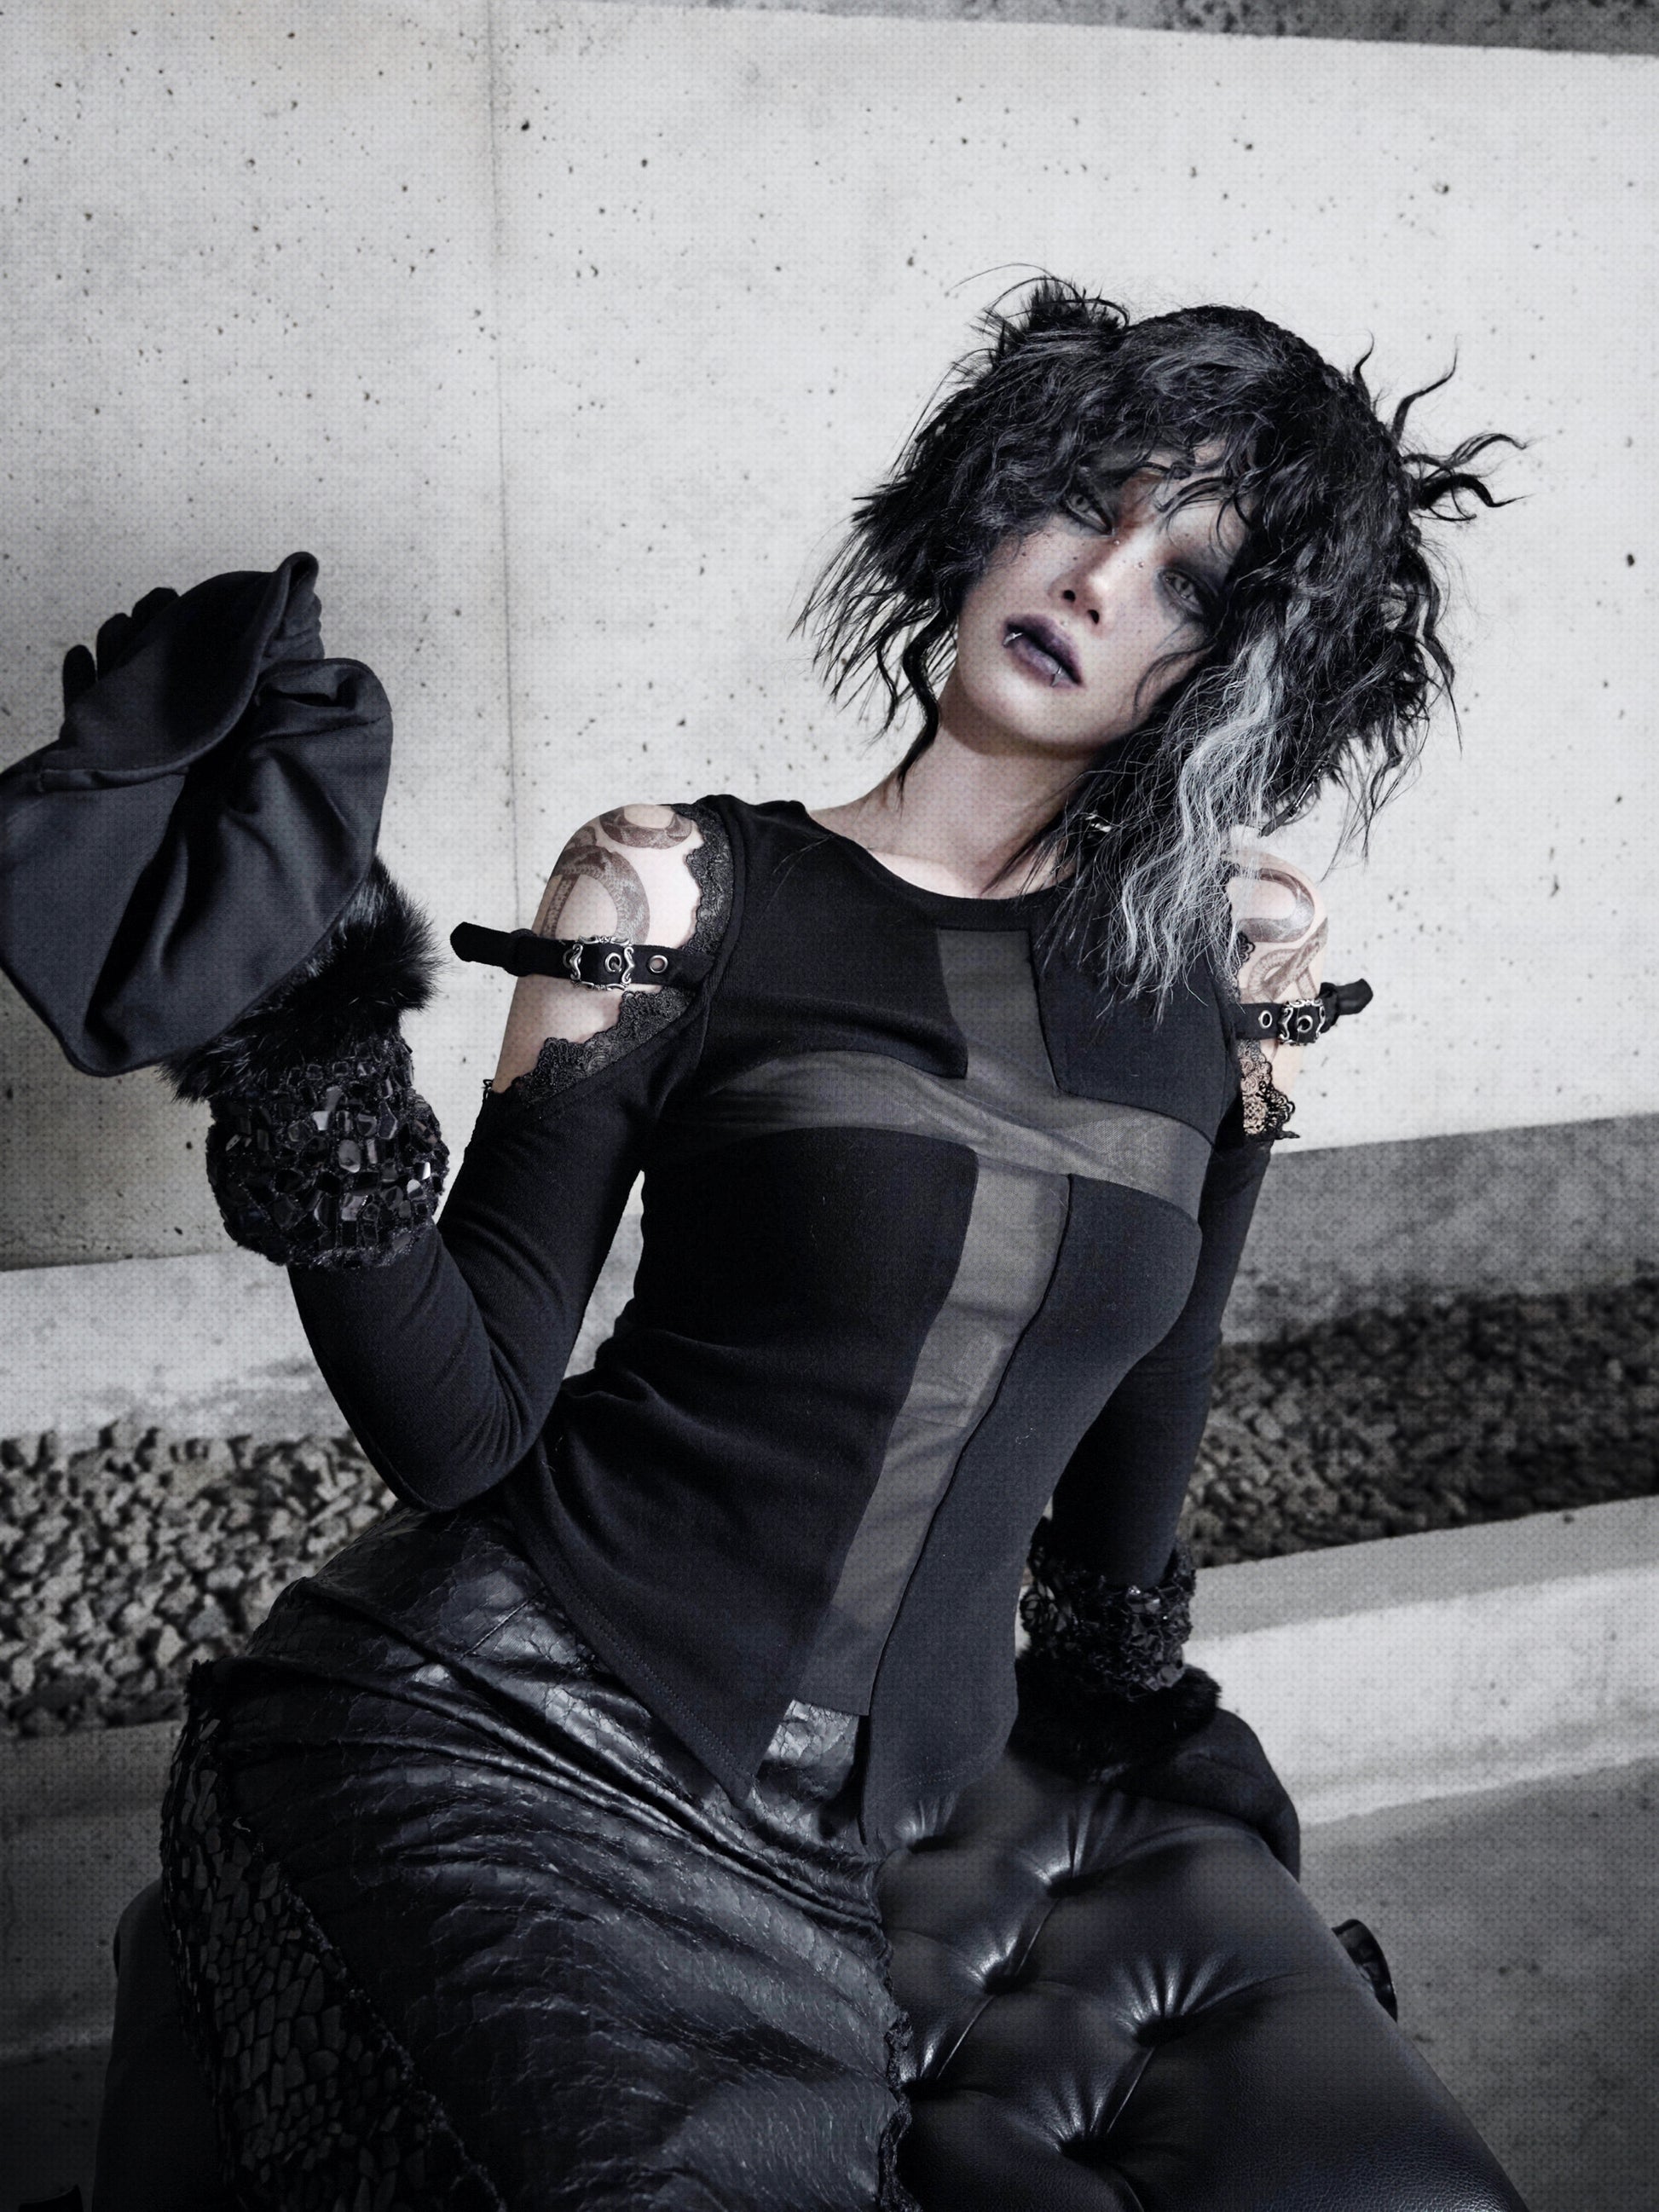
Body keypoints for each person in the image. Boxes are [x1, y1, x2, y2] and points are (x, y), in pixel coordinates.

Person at [76, 278, 1507, 2212]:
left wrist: (1133, 1692)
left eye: (1185, 576)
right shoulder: (673, 887)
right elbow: (463, 1425)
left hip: (837, 1862)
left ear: (1246, 670)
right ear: (983, 496)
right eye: (1080, 501)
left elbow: (1145, 1394)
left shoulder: (1222, 971)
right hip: (500, 1729)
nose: (1094, 582)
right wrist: (303, 1031)